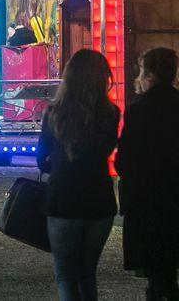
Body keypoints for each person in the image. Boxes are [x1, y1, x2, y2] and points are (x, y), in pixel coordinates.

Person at [36, 49, 120, 301]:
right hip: (98, 199)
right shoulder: (111, 114)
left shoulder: (54, 113)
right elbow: (107, 149)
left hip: (63, 198)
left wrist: (58, 167)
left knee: (65, 275)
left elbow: (42, 159)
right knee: (87, 273)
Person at [116, 46, 179, 300]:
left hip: (147, 201)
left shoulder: (138, 110)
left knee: (157, 272)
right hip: (175, 195)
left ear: (150, 75)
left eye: (141, 71)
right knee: (168, 269)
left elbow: (125, 160)